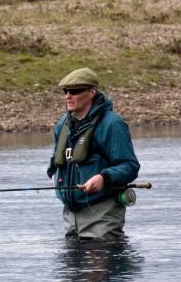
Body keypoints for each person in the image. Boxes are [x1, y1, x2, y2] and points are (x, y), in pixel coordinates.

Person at [47, 67, 140, 240]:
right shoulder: (62, 125)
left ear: (91, 92)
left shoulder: (112, 124)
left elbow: (130, 166)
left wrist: (103, 178)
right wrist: (54, 175)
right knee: (73, 266)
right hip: (70, 216)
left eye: (74, 91)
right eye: (65, 91)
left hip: (102, 214)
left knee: (99, 263)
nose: (68, 96)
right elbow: (54, 163)